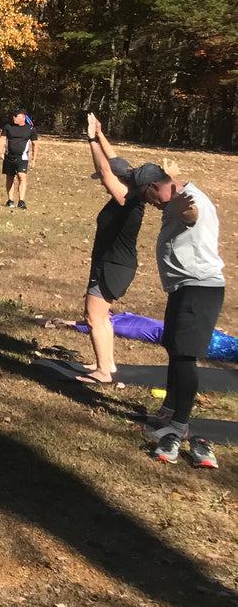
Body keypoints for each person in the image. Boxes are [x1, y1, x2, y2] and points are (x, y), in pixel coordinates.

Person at [136, 162, 225, 468]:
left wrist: (182, 208)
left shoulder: (187, 201)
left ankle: (180, 425)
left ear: (153, 187)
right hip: (184, 287)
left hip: (199, 288)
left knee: (185, 355)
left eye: (148, 197)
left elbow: (191, 217)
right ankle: (170, 410)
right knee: (173, 348)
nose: (149, 204)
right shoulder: (176, 194)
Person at [77, 114, 145, 383]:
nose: (102, 183)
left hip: (113, 266)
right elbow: (116, 165)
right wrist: (102, 135)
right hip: (112, 263)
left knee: (93, 316)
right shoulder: (132, 193)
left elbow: (107, 172)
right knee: (100, 315)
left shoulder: (126, 199)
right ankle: (108, 364)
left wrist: (91, 140)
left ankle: (103, 372)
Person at [0, 110, 38, 210]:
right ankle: (10, 200)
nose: (14, 117)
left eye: (16, 116)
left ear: (23, 117)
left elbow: (35, 144)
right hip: (9, 157)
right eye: (14, 115)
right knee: (9, 177)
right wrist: (0, 152)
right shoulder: (8, 127)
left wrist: (34, 159)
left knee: (21, 176)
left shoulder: (31, 129)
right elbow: (2, 139)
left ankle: (21, 201)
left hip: (22, 158)